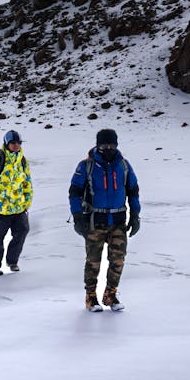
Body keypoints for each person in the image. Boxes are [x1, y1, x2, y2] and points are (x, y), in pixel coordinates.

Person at [69, 129, 140, 312]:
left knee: (118, 260)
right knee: (93, 261)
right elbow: (74, 192)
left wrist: (135, 215)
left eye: (111, 144)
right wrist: (77, 216)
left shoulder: (123, 165)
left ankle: (110, 295)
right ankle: (91, 297)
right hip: (95, 221)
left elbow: (133, 191)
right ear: (98, 145)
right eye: (104, 145)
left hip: (118, 221)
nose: (108, 148)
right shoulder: (86, 166)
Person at [0, 130, 33, 275]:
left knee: (22, 231)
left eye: (19, 143)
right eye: (13, 143)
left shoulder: (22, 160)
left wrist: (27, 202)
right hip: (0, 209)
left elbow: (27, 183)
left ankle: (12, 261)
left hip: (19, 208)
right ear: (7, 143)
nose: (16, 145)